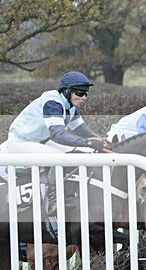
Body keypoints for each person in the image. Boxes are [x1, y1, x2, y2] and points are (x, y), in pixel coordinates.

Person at [3, 71, 108, 215]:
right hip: (19, 143)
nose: (84, 97)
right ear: (67, 91)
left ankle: (71, 193)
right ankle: (53, 201)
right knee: (59, 158)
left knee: (82, 152)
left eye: (86, 93)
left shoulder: (71, 107)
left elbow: (86, 134)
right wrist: (88, 143)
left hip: (40, 142)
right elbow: (58, 135)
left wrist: (105, 143)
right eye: (80, 92)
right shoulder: (52, 103)